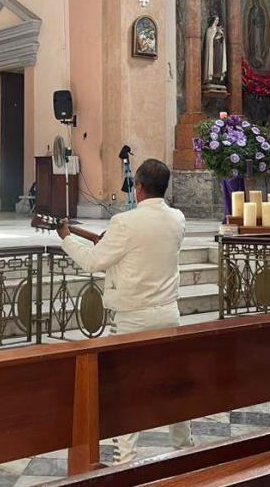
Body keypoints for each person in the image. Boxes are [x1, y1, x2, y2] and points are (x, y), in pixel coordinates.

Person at [54, 158, 193, 463]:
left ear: (138, 187)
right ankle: (185, 449)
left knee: (125, 390)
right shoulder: (177, 218)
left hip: (133, 317)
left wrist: (66, 239)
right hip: (169, 313)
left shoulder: (125, 223)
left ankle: (125, 460)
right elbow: (145, 252)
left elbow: (93, 262)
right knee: (172, 383)